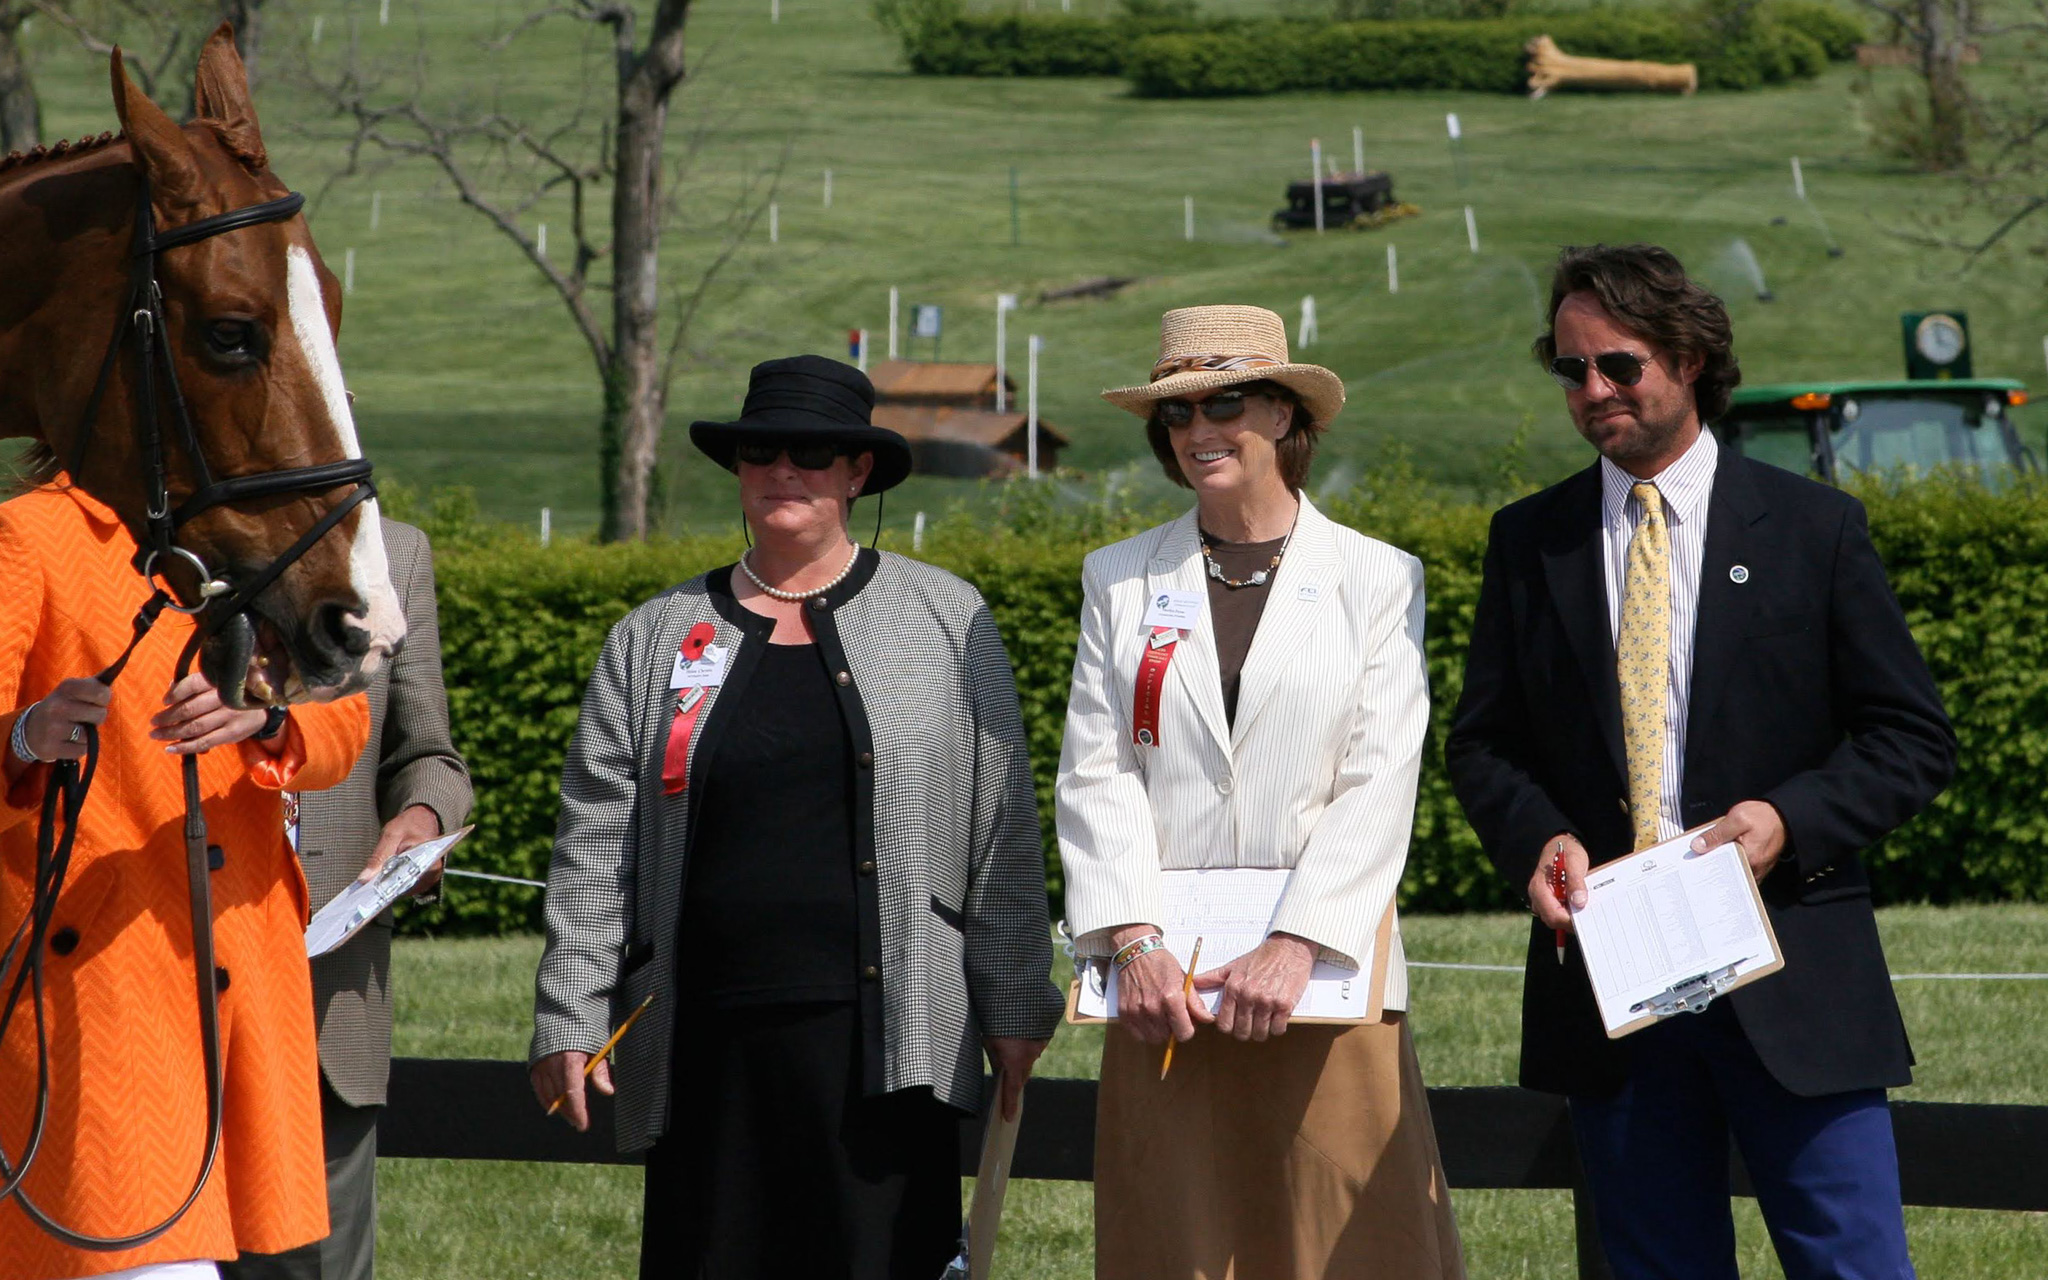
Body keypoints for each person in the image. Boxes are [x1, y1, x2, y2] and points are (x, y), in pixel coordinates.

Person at [1445, 244, 1956, 1280]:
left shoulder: (1813, 528)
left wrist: (1787, 820)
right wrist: (1539, 839)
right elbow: (1483, 743)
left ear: (1688, 358)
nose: (1592, 389)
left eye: (1618, 364)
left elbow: (1910, 737)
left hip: (1792, 971)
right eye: (1571, 368)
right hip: (1616, 987)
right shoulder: (1528, 540)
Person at [528, 354, 1063, 1279]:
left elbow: (1001, 827)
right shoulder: (652, 636)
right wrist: (568, 1011)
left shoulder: (947, 617)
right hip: (706, 1042)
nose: (783, 470)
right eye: (760, 451)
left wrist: (1015, 999)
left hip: (895, 1039)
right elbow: (596, 846)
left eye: (812, 453)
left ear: (858, 473)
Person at [1057, 305, 1465, 1280]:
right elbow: (1096, 767)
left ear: (1284, 414)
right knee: (1174, 1242)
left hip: (1321, 980)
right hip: (1166, 991)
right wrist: (1134, 942)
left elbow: (1378, 777)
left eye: (1225, 404)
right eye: (1176, 413)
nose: (1198, 430)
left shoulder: (1377, 577)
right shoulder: (1117, 579)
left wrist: (1295, 941)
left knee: (1350, 1247)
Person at [0, 476, 370, 1279]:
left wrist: (268, 716)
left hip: (243, 965)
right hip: (100, 984)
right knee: (147, 1256)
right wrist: (26, 735)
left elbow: (347, 716)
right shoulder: (29, 533)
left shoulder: (256, 527)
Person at [220, 518, 472, 1280]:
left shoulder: (397, 554)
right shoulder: (178, 545)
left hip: (330, 1001)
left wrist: (424, 816)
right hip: (183, 986)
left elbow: (428, 755)